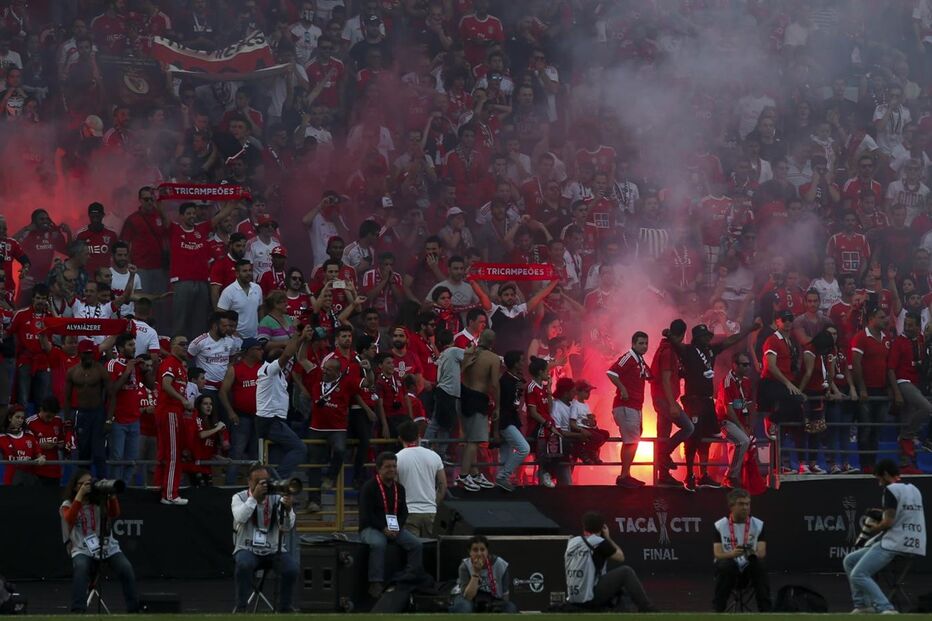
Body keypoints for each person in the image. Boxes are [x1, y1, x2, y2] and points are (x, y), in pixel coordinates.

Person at [843, 460, 926, 613]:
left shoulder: (891, 490)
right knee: (850, 561)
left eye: (879, 478)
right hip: (914, 542)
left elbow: (888, 522)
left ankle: (885, 607)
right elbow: (903, 515)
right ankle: (862, 605)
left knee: (859, 574)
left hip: (895, 542)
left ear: (886, 474)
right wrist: (881, 514)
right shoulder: (913, 490)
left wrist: (872, 528)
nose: (879, 483)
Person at [60, 470, 139, 613]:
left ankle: (134, 609)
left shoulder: (99, 500)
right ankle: (78, 609)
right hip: (81, 547)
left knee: (126, 568)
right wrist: (80, 496)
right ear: (76, 487)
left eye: (91, 482)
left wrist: (112, 496)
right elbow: (69, 519)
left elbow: (115, 513)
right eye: (85, 484)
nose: (89, 486)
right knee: (81, 568)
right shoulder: (67, 504)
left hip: (107, 545)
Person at [231, 463, 298, 613]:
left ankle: (285, 608)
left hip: (273, 549)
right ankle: (241, 607)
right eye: (258, 482)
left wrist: (288, 509)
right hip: (247, 548)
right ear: (249, 482)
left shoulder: (276, 498)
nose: (263, 485)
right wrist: (254, 498)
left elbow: (287, 526)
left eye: (265, 481)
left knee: (291, 568)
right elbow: (240, 517)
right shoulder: (239, 497)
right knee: (244, 565)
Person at [358, 451, 424, 598]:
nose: (392, 470)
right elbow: (366, 514)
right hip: (371, 527)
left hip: (394, 528)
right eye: (388, 467)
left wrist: (397, 527)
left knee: (416, 545)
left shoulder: (399, 488)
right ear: (379, 469)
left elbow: (404, 512)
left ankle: (410, 577)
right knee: (378, 544)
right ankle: (375, 583)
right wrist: (383, 528)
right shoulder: (369, 487)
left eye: (394, 466)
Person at [564, 510, 656, 611]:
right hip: (590, 599)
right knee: (626, 572)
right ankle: (647, 608)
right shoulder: (598, 542)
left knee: (617, 587)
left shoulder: (572, 542)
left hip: (573, 598)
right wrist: (608, 538)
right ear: (602, 528)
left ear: (584, 526)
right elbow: (620, 557)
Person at [256, 327, 313, 479]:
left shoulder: (278, 374)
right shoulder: (268, 370)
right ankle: (277, 481)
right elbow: (287, 354)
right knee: (300, 449)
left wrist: (302, 339)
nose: (286, 362)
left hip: (276, 420)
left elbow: (291, 354)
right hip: (270, 420)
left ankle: (272, 483)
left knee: (278, 456)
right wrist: (296, 333)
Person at [712, 488, 772, 612]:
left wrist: (750, 552)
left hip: (748, 571)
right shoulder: (720, 525)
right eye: (741, 504)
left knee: (759, 564)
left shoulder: (758, 524)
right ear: (732, 506)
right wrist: (732, 554)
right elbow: (718, 553)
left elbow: (761, 552)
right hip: (728, 571)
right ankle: (718, 611)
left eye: (747, 504)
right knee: (726, 565)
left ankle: (766, 611)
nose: (745, 507)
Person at [457, 329, 500, 491]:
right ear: (492, 343)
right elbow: (494, 385)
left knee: (470, 439)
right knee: (475, 440)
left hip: (463, 396)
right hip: (478, 398)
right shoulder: (493, 358)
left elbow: (460, 372)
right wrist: (497, 405)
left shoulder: (469, 353)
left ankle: (474, 474)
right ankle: (463, 475)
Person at [606, 331, 650, 488]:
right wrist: (623, 388)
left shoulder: (640, 360)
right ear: (633, 344)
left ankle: (626, 474)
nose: (644, 346)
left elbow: (650, 376)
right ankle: (624, 476)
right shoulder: (629, 357)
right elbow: (611, 372)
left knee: (631, 441)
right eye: (641, 343)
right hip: (626, 406)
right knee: (631, 441)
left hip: (634, 406)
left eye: (646, 343)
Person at [65, 339, 111, 478]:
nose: (89, 356)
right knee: (83, 451)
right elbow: (67, 398)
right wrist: (67, 419)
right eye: (86, 353)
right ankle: (83, 484)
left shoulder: (100, 370)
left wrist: (109, 419)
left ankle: (102, 482)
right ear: (80, 353)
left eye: (91, 353)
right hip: (82, 413)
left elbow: (111, 395)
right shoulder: (72, 372)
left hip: (98, 413)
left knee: (99, 452)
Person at [156, 335, 191, 505]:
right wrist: (182, 400)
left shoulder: (180, 366)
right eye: (182, 344)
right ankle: (170, 493)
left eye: (187, 344)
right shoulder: (170, 363)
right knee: (173, 454)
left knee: (170, 453)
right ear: (172, 346)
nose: (185, 347)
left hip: (174, 411)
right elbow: (166, 384)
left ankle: (165, 488)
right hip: (169, 411)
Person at [395, 420, 446, 537]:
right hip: (431, 511)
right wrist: (433, 503)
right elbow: (443, 485)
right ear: (419, 437)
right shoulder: (434, 456)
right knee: (431, 551)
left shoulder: (396, 458)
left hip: (409, 513)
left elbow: (393, 487)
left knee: (412, 551)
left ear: (400, 438)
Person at [715, 353, 756, 488]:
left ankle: (737, 478)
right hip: (725, 422)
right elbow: (729, 411)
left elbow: (749, 406)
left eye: (748, 364)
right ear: (735, 365)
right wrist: (742, 428)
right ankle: (730, 476)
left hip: (740, 422)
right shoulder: (727, 382)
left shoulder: (747, 382)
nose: (747, 367)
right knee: (743, 440)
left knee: (744, 443)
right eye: (744, 365)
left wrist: (749, 425)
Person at [450, 535, 518, 613]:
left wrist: (501, 606)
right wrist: (476, 573)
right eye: (475, 550)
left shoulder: (501, 565)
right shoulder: (465, 566)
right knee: (465, 608)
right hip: (467, 598)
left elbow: (505, 596)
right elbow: (468, 596)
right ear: (469, 552)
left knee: (510, 608)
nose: (479, 554)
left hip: (492, 598)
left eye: (482, 550)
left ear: (487, 551)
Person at [496, 350, 530, 491]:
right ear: (515, 363)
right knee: (524, 448)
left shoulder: (515, 379)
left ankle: (501, 482)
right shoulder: (505, 381)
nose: (523, 363)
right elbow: (502, 405)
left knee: (506, 454)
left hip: (511, 419)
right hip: (505, 420)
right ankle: (503, 476)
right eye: (521, 361)